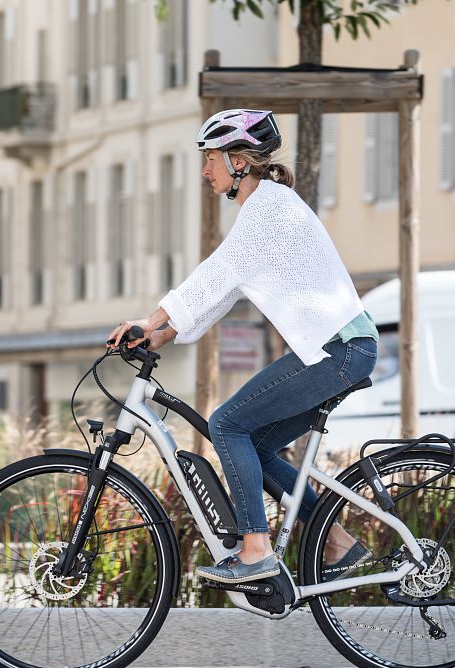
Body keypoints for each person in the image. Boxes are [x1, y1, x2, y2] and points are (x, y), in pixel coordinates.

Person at [107, 109, 378, 584]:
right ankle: (334, 541)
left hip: (335, 349)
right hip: (337, 349)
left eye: (210, 158)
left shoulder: (269, 206)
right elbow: (227, 291)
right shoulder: (266, 209)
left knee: (226, 423)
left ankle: (256, 549)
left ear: (238, 160)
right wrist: (165, 334)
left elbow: (219, 270)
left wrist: (153, 316)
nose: (205, 170)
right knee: (253, 441)